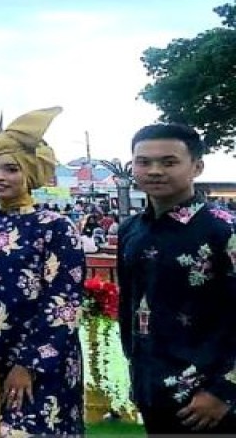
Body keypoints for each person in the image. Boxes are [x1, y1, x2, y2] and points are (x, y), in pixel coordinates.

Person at [0, 108, 85, 437]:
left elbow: (64, 301)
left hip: (44, 359)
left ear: (30, 172)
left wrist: (29, 363)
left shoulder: (56, 227)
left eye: (11, 168)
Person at [118, 123, 236, 435]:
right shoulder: (131, 231)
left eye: (168, 162)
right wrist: (138, 375)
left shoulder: (224, 230)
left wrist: (224, 391)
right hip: (152, 390)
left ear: (197, 167)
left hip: (212, 401)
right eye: (144, 162)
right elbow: (128, 307)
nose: (154, 171)